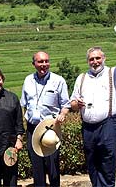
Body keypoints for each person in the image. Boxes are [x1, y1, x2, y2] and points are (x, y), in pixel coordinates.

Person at [70, 38, 116, 187]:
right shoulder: (81, 78)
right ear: (88, 61)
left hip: (108, 124)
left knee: (107, 161)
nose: (95, 61)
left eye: (98, 58)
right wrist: (77, 104)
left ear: (104, 58)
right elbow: (73, 104)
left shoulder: (113, 73)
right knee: (91, 161)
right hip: (88, 127)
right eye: (91, 59)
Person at [20, 51, 70, 186]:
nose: (44, 64)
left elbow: (66, 105)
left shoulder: (58, 81)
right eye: (40, 62)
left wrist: (63, 114)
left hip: (50, 129)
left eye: (46, 61)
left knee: (52, 166)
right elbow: (24, 104)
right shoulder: (28, 80)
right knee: (36, 166)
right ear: (34, 64)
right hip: (32, 128)